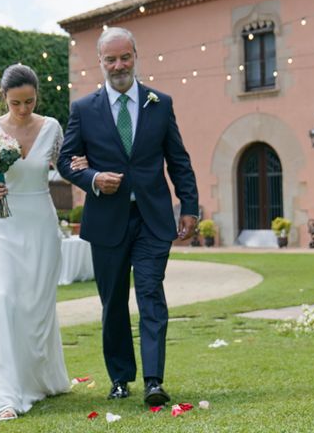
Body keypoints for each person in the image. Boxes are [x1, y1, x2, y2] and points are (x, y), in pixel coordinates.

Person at [57, 27, 199, 407]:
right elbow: (65, 161)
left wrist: (189, 207)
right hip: (106, 222)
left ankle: (154, 380)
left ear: (136, 55)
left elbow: (179, 162)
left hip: (153, 219)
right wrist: (92, 179)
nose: (118, 65)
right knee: (113, 302)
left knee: (151, 294)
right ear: (100, 63)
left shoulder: (161, 103)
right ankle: (120, 378)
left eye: (125, 57)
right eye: (110, 59)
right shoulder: (83, 109)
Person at [0, 64, 87, 421]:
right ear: (4, 98)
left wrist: (84, 165)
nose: (22, 109)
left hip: (40, 223)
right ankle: (4, 397)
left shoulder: (51, 126)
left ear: (37, 96)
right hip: (0, 226)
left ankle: (39, 380)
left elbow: (64, 164)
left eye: (29, 101)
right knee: (2, 301)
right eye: (15, 103)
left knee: (36, 307)